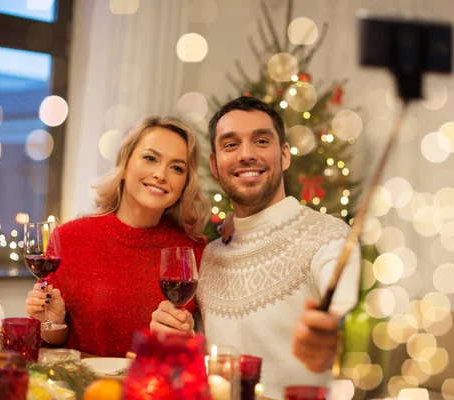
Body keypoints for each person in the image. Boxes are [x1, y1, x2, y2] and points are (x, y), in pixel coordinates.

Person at [150, 96, 361, 399]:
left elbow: (345, 311)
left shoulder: (330, 237)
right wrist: (172, 334)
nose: (246, 155)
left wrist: (334, 323)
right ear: (215, 164)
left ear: (285, 155)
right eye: (230, 145)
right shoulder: (207, 257)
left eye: (261, 141)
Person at [25, 116, 209, 357]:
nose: (161, 174)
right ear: (124, 166)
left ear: (184, 184)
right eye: (150, 158)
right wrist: (52, 324)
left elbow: (203, 352)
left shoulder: (193, 251)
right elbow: (54, 343)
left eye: (177, 168)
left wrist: (186, 340)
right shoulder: (70, 238)